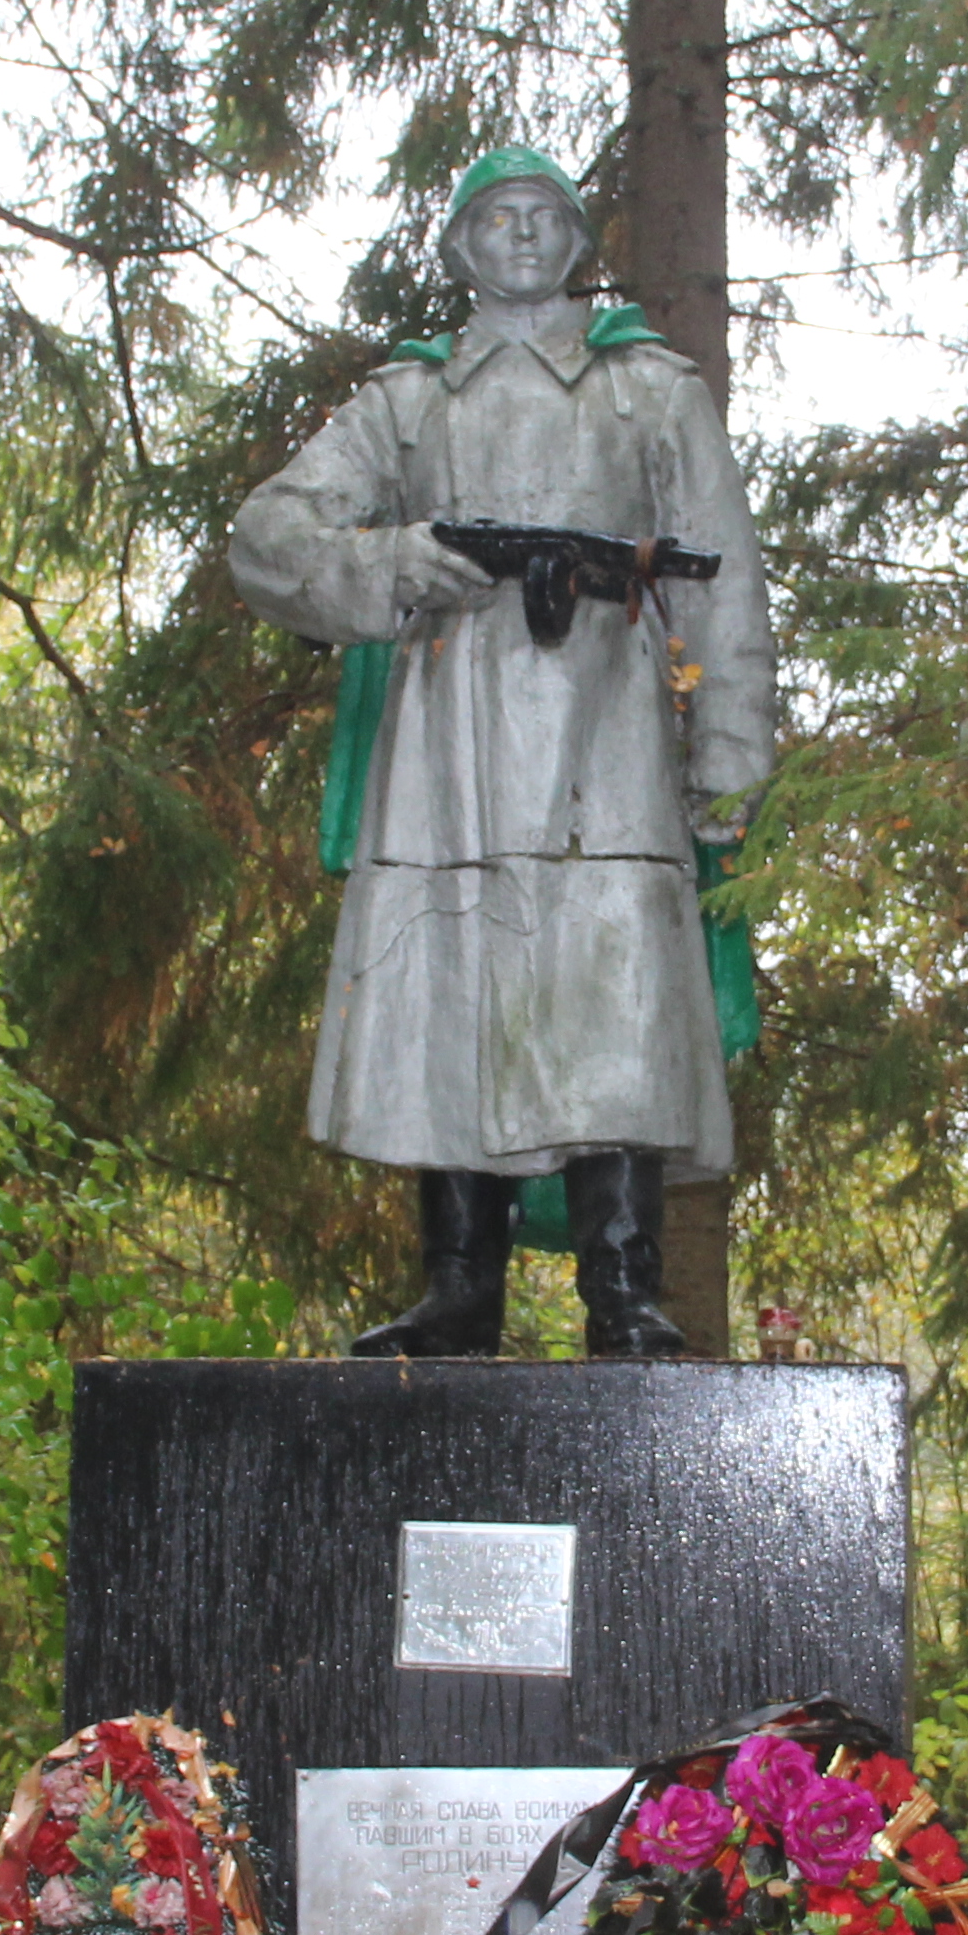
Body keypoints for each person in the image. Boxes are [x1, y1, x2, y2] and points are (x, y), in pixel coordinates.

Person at [227, 148, 775, 1357]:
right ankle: (456, 1285)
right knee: (448, 984)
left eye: (544, 217)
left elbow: (722, 584)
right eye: (494, 218)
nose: (521, 235)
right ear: (459, 249)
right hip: (448, 735)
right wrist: (387, 562)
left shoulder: (651, 391)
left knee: (612, 990)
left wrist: (728, 758)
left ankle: (623, 1288)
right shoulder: (407, 402)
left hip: (611, 729)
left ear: (579, 244)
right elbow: (268, 531)